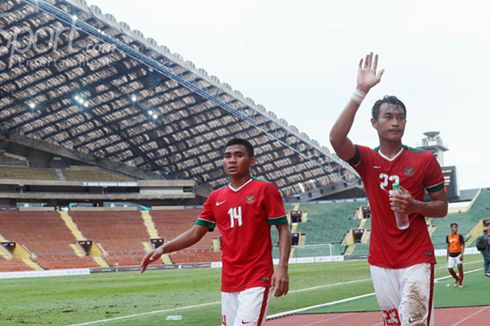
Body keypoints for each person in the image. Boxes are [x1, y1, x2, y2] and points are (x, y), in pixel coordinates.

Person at [329, 53, 448, 326]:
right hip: (381, 259)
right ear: (375, 123)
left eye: (401, 117)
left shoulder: (424, 160)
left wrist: (415, 205)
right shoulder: (367, 160)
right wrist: (360, 91)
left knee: (415, 322)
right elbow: (336, 138)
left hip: (417, 255)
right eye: (389, 117)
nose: (395, 122)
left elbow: (441, 207)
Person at [140, 138, 291, 326]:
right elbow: (195, 233)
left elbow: (283, 229)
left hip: (257, 278)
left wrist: (282, 267)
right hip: (229, 281)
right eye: (227, 156)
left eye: (239, 155)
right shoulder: (215, 197)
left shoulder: (265, 189)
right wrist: (162, 249)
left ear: (252, 161)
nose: (232, 160)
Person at [446, 223, 465, 287]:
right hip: (451, 255)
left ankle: (460, 282)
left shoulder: (460, 236)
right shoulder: (448, 236)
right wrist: (447, 256)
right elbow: (448, 246)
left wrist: (462, 254)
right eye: (454, 227)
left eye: (456, 227)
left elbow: (462, 245)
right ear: (451, 228)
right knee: (450, 269)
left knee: (460, 269)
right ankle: (457, 279)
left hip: (458, 254)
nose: (456, 228)